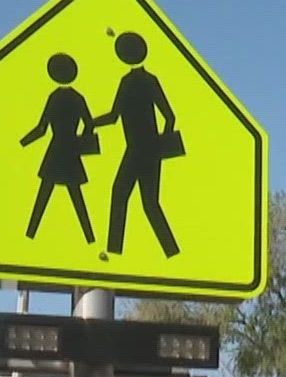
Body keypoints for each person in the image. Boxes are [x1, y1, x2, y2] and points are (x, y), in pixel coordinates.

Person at [91, 31, 180, 258]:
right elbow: (169, 117)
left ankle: (116, 250)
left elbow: (114, 116)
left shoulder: (132, 82)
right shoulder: (144, 80)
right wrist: (160, 145)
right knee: (145, 202)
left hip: (139, 150)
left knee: (126, 196)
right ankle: (169, 251)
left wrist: (92, 124)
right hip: (147, 151)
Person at [19, 53, 98, 243]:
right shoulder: (78, 97)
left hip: (56, 150)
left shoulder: (54, 97)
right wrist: (83, 141)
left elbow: (42, 128)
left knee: (45, 194)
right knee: (75, 196)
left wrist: (23, 142)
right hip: (71, 150)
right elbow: (89, 123)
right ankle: (90, 238)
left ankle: (30, 234)